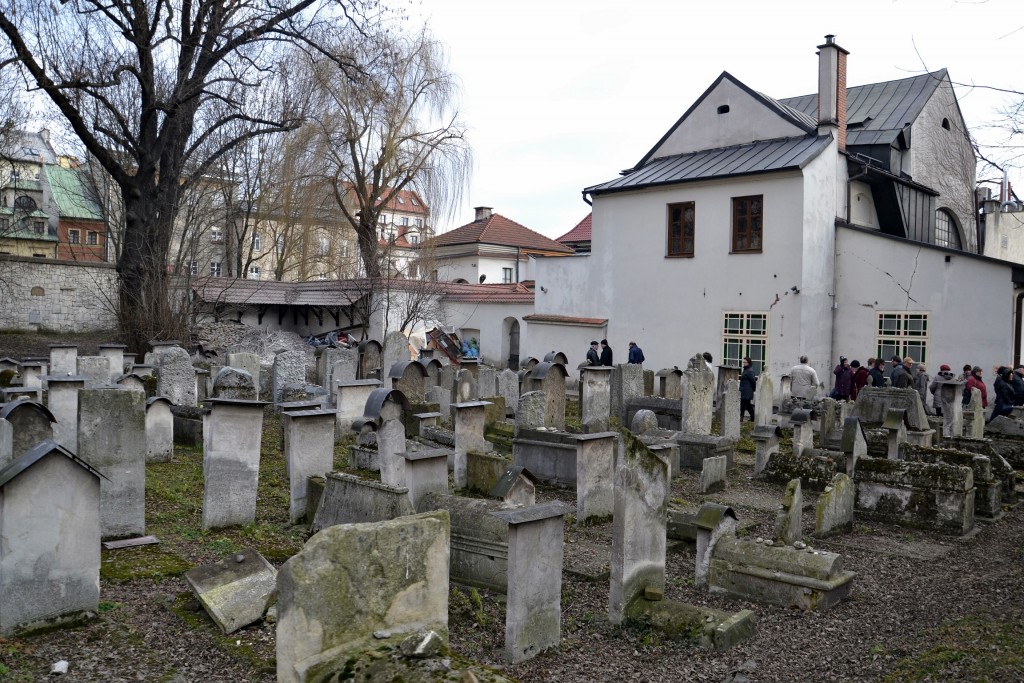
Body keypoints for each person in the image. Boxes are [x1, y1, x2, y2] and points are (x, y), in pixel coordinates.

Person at [739, 356, 757, 421]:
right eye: (743, 362)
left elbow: (753, 381)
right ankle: (751, 417)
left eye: (745, 362)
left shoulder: (749, 371)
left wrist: (753, 389)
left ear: (748, 363)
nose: (744, 363)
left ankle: (744, 417)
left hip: (747, 391)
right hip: (744, 390)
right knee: (746, 404)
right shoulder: (746, 370)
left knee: (745, 405)